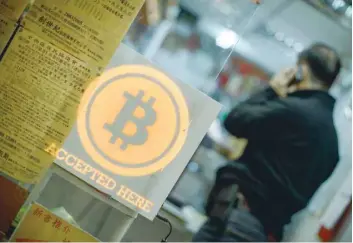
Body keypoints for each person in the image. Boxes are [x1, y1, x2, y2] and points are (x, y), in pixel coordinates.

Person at [193, 43, 341, 242]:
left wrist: (272, 90)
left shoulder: (292, 111)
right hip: (264, 232)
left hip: (238, 220)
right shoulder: (332, 143)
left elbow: (235, 120)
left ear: (301, 70)